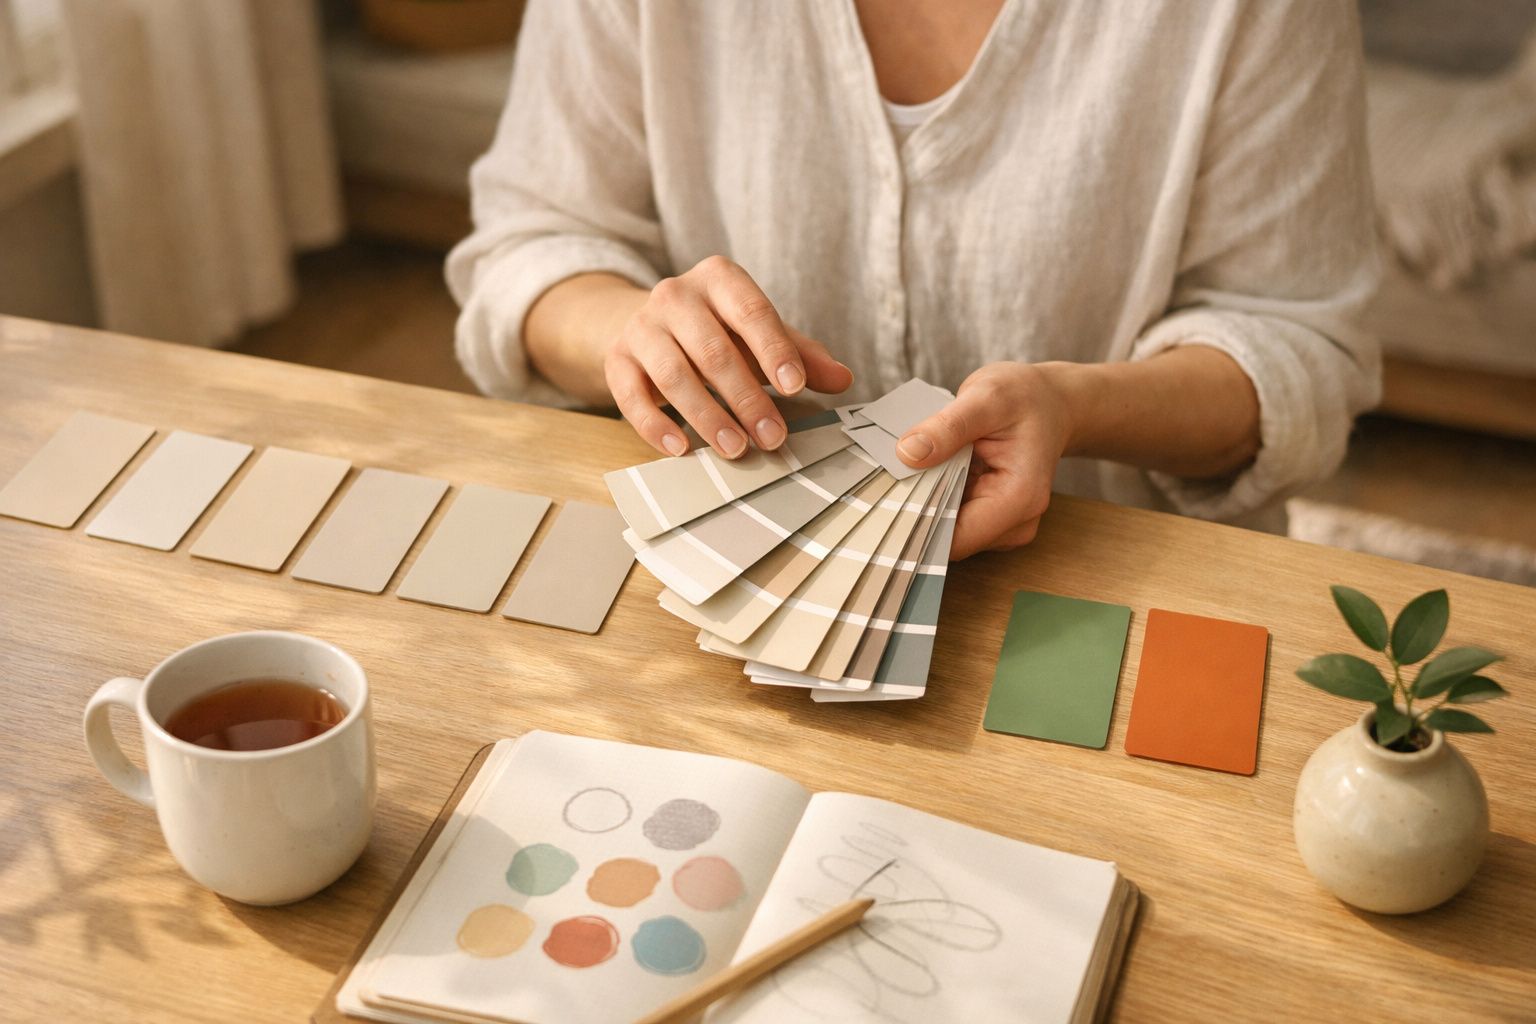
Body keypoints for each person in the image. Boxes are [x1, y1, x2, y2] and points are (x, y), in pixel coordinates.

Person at [447, 0, 1380, 560]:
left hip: (1106, 586)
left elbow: (1298, 353)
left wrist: (1075, 409)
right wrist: (632, 332)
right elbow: (532, 243)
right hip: (746, 571)